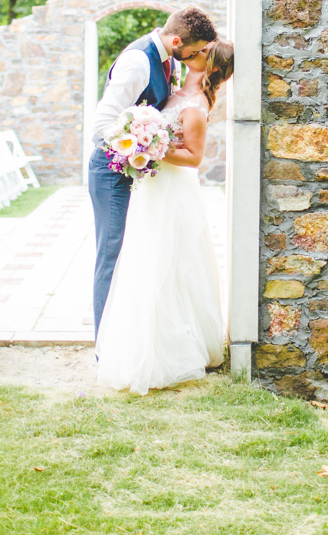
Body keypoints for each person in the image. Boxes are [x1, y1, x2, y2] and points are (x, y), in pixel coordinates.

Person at [96, 41, 235, 394]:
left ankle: (170, 350)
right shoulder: (174, 90)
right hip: (153, 188)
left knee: (169, 263)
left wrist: (152, 146)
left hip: (173, 191)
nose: (191, 54)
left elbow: (194, 157)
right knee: (145, 260)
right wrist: (143, 138)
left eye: (201, 53)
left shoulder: (197, 106)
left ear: (211, 66)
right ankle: (139, 340)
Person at [87, 6, 217, 335]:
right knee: (111, 254)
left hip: (141, 171)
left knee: (140, 253)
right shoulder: (137, 62)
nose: (199, 55)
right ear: (177, 40)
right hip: (111, 171)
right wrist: (146, 144)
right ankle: (106, 344)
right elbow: (102, 125)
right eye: (197, 49)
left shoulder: (170, 60)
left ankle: (134, 336)